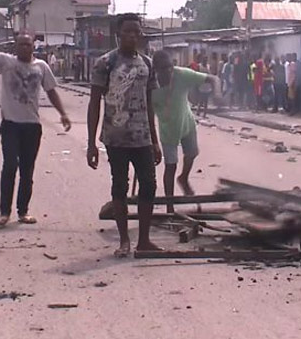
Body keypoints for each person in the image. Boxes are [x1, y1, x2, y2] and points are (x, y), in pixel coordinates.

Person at [0, 34, 72, 227]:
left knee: (27, 171)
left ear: (33, 47)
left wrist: (62, 113)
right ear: (16, 46)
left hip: (32, 125)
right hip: (11, 124)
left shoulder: (42, 67)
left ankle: (23, 212)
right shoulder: (6, 62)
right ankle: (5, 212)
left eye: (27, 45)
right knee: (10, 166)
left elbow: (51, 91)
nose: (24, 48)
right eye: (20, 44)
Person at [87, 13, 162, 257]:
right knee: (120, 186)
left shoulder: (147, 64)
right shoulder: (105, 63)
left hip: (142, 139)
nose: (132, 36)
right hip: (116, 137)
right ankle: (123, 241)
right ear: (118, 35)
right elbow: (94, 103)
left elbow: (149, 103)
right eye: (127, 31)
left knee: (149, 186)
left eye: (136, 32)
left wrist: (155, 140)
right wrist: (91, 143)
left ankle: (143, 240)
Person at [151, 50, 216, 213]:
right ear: (156, 70)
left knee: (192, 153)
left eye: (169, 68)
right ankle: (169, 207)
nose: (167, 72)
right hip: (168, 130)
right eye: (163, 69)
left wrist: (218, 93)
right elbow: (148, 116)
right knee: (170, 167)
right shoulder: (150, 87)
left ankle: (184, 178)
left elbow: (213, 79)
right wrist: (153, 141)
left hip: (186, 123)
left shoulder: (181, 74)